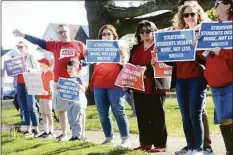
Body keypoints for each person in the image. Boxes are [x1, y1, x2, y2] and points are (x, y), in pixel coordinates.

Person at [13, 24, 86, 141]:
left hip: (74, 82)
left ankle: (81, 134)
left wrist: (81, 64)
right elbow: (39, 41)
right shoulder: (55, 45)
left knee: (79, 109)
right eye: (60, 32)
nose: (63, 33)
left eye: (64, 31)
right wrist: (23, 35)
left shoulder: (79, 44)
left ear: (69, 32)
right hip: (59, 83)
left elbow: (88, 58)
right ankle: (64, 134)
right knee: (62, 110)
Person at [169, 3, 210, 155]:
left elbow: (207, 58)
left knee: (195, 115)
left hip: (197, 79)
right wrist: (160, 54)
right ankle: (191, 147)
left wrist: (198, 45)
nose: (189, 17)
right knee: (185, 116)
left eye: (192, 14)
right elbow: (172, 59)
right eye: (186, 15)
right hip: (181, 80)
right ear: (182, 18)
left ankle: (199, 149)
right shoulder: (178, 33)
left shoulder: (204, 31)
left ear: (198, 15)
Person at [129, 20, 170, 153]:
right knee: (142, 115)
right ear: (139, 34)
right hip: (138, 86)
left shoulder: (160, 46)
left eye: (148, 31)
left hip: (155, 85)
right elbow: (131, 65)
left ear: (154, 32)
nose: (145, 34)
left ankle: (160, 144)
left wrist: (151, 65)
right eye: (142, 32)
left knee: (157, 115)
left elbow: (167, 65)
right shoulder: (135, 48)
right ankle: (145, 143)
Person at [199, 0, 233, 154]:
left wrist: (222, 52)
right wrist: (198, 44)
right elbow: (205, 54)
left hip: (230, 80)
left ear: (227, 5)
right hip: (215, 82)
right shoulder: (213, 28)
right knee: (224, 120)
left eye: (217, 4)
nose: (214, 8)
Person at [89, 24, 130, 148]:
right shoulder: (95, 49)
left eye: (109, 34)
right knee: (102, 112)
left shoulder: (120, 47)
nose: (106, 36)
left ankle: (125, 139)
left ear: (114, 36)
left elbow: (126, 63)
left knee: (118, 110)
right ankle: (109, 137)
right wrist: (87, 53)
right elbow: (89, 61)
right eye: (104, 34)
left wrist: (123, 56)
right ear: (101, 37)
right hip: (99, 85)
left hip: (115, 85)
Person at [14, 40, 40, 137]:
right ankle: (28, 129)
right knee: (23, 107)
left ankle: (36, 129)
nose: (20, 49)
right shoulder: (17, 58)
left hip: (30, 83)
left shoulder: (31, 56)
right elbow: (14, 72)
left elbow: (37, 69)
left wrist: (29, 68)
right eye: (18, 47)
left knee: (31, 107)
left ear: (26, 47)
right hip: (20, 84)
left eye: (21, 47)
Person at [59, 59, 88, 141]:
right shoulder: (66, 79)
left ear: (76, 68)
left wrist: (79, 86)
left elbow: (83, 89)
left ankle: (78, 136)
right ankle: (74, 135)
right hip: (69, 102)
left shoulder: (78, 78)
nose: (69, 70)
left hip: (77, 102)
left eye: (71, 68)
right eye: (68, 68)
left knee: (77, 119)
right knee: (71, 119)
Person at [36, 58, 54, 139]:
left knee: (49, 114)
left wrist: (49, 92)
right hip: (41, 97)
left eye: (41, 63)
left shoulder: (51, 74)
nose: (40, 65)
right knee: (43, 114)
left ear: (46, 65)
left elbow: (52, 87)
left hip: (48, 97)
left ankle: (51, 132)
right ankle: (46, 131)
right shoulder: (41, 74)